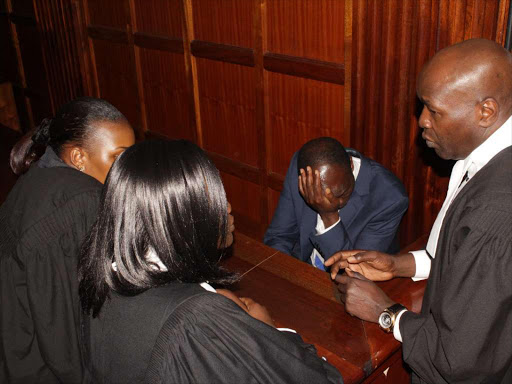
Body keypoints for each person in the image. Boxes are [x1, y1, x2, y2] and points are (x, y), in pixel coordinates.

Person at [79, 139, 343, 384]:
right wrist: (268, 329)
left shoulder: (105, 274)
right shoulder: (198, 320)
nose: (227, 207)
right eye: (212, 199)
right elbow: (318, 377)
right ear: (181, 218)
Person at [326, 38, 512, 383]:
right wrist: (399, 264)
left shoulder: (496, 211)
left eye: (434, 110)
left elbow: (457, 361)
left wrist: (385, 312)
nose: (422, 121)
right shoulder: (480, 154)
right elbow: (468, 260)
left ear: (485, 111)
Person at [0, 97, 135, 383]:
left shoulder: (42, 171)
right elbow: (59, 324)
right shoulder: (80, 202)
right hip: (33, 362)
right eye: (118, 157)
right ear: (78, 158)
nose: (127, 168)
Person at [264, 137, 408, 270]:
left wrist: (328, 215)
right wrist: (284, 275)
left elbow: (355, 271)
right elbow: (279, 237)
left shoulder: (389, 198)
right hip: (300, 269)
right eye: (317, 195)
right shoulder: (302, 168)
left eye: (340, 194)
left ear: (350, 164)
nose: (332, 202)